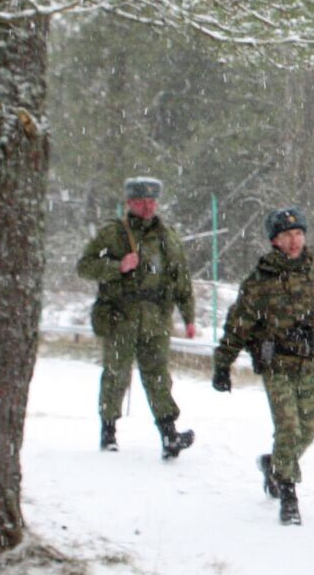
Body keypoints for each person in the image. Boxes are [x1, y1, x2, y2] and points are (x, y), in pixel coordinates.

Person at [211, 206, 314, 525]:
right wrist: (223, 364)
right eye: (285, 236)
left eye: (297, 234)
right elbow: (238, 325)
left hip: (309, 362)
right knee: (288, 427)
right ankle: (288, 494)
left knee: (308, 428)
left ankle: (274, 465)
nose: (293, 241)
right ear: (274, 241)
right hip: (276, 362)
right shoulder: (259, 282)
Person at [76, 176, 197, 458]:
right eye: (141, 202)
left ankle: (169, 435)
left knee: (158, 377)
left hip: (156, 318)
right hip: (122, 316)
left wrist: (188, 316)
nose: (147, 207)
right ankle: (108, 432)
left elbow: (181, 278)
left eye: (152, 201)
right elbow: (84, 266)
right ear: (130, 203)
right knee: (116, 375)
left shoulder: (167, 236)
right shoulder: (113, 233)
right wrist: (117, 266)